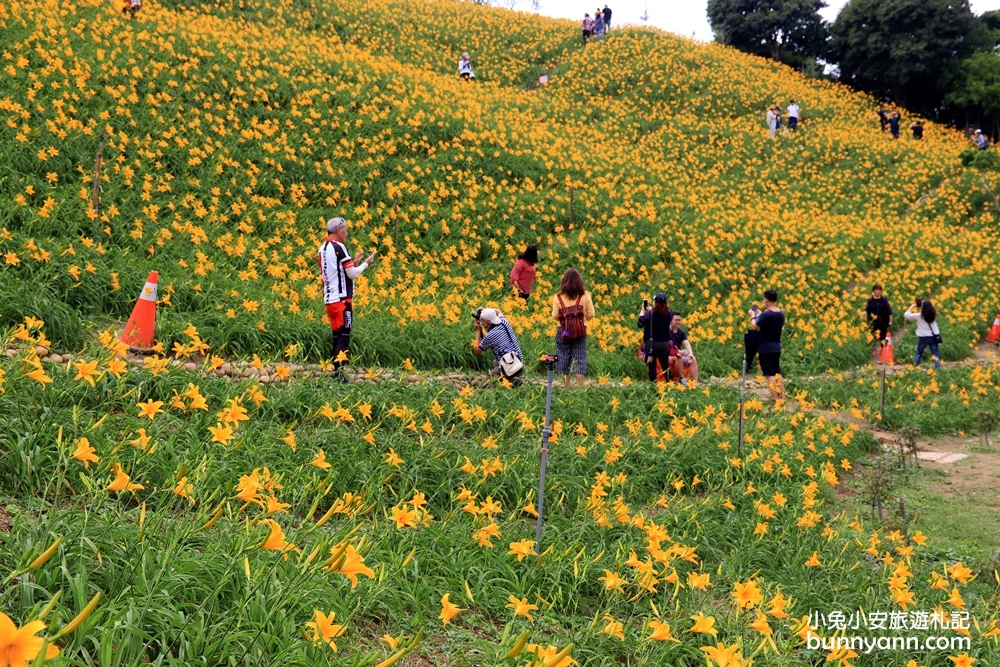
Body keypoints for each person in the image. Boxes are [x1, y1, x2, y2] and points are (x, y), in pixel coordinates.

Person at [318, 217, 375, 383]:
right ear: (338, 230)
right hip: (343, 302)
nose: (347, 233)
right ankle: (340, 375)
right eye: (346, 229)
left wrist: (353, 262)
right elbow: (351, 274)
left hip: (330, 302)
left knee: (337, 337)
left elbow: (337, 272)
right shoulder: (339, 247)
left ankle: (336, 372)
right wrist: (365, 264)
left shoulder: (322, 249)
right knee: (343, 338)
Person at [552, 268, 596, 388]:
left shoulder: (558, 297)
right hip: (580, 330)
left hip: (563, 331)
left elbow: (555, 316)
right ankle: (579, 388)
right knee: (580, 357)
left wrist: (564, 319)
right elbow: (591, 314)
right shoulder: (585, 295)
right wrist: (582, 319)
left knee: (562, 356)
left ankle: (566, 386)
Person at [749, 289, 785, 401]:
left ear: (767, 300)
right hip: (776, 347)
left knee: (769, 374)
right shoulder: (781, 314)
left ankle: (774, 398)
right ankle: (782, 397)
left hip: (765, 348)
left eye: (764, 298)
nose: (763, 300)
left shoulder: (766, 315)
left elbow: (755, 326)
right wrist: (760, 315)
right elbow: (769, 321)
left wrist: (752, 316)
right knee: (777, 373)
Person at [474, 308, 524, 385]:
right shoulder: (504, 321)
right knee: (495, 362)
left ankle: (514, 383)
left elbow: (477, 351)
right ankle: (511, 381)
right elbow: (498, 311)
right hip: (519, 362)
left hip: (510, 368)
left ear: (487, 322)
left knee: (483, 387)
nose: (480, 321)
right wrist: (486, 311)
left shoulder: (490, 336)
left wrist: (477, 331)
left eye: (482, 320)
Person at [638, 293, 673, 382]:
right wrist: (650, 311)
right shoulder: (669, 314)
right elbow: (659, 315)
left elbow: (640, 323)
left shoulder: (650, 314)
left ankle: (653, 385)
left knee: (652, 365)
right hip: (664, 344)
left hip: (652, 343)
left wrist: (643, 311)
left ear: (655, 302)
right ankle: (670, 384)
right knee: (665, 366)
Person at [904, 299, 942, 369]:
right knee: (935, 354)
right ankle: (938, 368)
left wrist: (913, 306)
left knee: (919, 353)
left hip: (923, 338)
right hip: (932, 337)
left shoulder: (919, 316)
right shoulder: (933, 315)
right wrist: (937, 335)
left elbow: (906, 315)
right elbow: (935, 326)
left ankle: (915, 366)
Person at [667, 313, 699, 384]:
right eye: (676, 320)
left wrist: (690, 354)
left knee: (693, 359)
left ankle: (695, 382)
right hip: (668, 354)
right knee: (678, 357)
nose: (678, 322)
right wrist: (678, 352)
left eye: (679, 320)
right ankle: (682, 379)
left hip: (679, 353)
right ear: (671, 320)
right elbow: (667, 346)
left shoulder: (681, 332)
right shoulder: (665, 331)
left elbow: (687, 344)